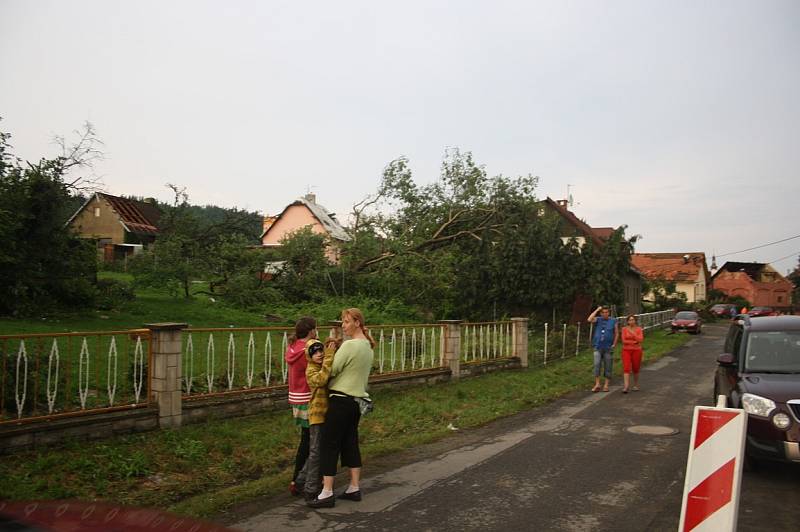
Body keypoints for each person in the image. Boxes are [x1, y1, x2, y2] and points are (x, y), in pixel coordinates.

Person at [307, 308, 375, 509]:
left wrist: (328, 353)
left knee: (330, 445)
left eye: (345, 322)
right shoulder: (368, 346)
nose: (343, 326)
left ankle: (326, 492)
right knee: (350, 442)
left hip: (339, 401)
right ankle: (354, 487)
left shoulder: (349, 346)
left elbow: (332, 370)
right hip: (356, 402)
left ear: (356, 322)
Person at [299, 336, 339, 502]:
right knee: (316, 452)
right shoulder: (311, 369)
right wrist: (329, 357)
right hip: (316, 415)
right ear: (309, 356)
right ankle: (310, 488)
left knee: (318, 450)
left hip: (326, 414)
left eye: (321, 350)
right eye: (314, 352)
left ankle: (301, 480)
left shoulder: (323, 365)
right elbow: (321, 379)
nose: (320, 354)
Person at [285, 316, 317, 496]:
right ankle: (300, 479)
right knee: (310, 441)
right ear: (311, 330)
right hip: (308, 397)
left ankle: (297, 478)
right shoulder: (308, 349)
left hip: (296, 399)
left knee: (305, 439)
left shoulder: (293, 347)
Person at [588, 305, 618, 392]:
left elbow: (616, 333)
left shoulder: (613, 321)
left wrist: (614, 344)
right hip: (598, 347)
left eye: (606, 312)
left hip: (608, 347)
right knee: (597, 364)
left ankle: (606, 384)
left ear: (609, 313)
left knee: (608, 365)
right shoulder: (598, 319)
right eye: (603, 312)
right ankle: (597, 384)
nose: (605, 314)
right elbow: (589, 319)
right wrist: (597, 309)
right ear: (601, 313)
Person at [620, 315, 644, 393]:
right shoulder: (624, 329)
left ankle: (635, 385)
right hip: (626, 350)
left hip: (637, 350)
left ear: (635, 321)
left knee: (636, 368)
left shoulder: (639, 329)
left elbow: (640, 339)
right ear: (627, 321)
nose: (631, 321)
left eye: (633, 320)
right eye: (630, 320)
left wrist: (633, 334)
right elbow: (624, 341)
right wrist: (634, 341)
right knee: (626, 368)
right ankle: (626, 386)